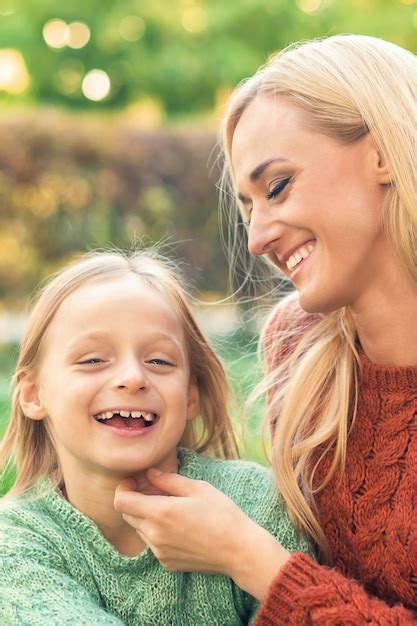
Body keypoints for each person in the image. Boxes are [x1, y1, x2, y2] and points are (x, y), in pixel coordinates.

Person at [113, 35, 417, 624]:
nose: (257, 240)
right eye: (248, 209)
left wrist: (249, 558)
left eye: (277, 186)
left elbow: (276, 571)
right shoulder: (295, 346)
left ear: (384, 153)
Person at [0, 248, 312, 626]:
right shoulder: (14, 545)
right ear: (34, 395)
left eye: (160, 361)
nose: (133, 377)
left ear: (190, 396)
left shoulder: (258, 506)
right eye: (93, 360)